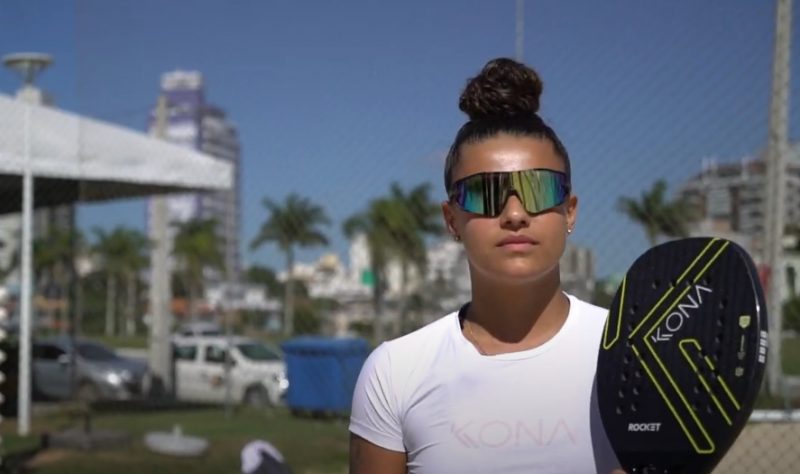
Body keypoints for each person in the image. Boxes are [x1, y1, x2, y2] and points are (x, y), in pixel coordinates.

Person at [348, 57, 622, 473]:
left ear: (569, 211)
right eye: (484, 193)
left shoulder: (630, 353)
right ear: (452, 219)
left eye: (539, 188)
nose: (514, 213)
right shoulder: (395, 371)